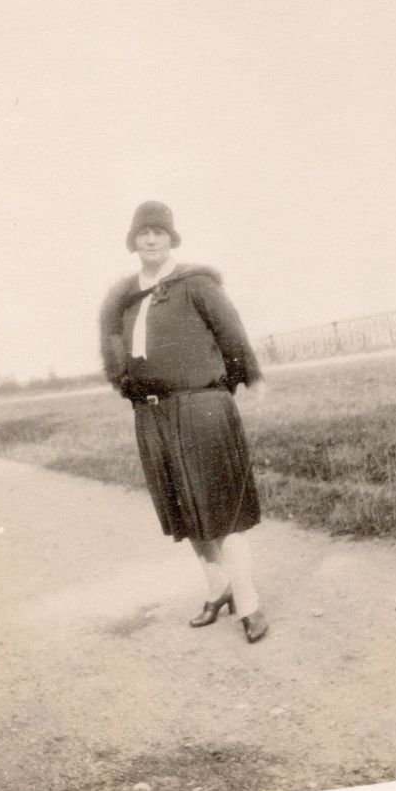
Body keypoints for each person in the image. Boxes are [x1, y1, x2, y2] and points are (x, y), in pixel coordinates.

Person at [99, 201, 269, 643]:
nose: (151, 239)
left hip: (202, 408)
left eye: (159, 231)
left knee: (221, 507)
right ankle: (218, 587)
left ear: (171, 238)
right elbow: (114, 349)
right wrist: (125, 384)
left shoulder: (196, 284)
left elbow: (232, 334)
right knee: (184, 509)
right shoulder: (123, 300)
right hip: (151, 414)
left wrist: (242, 381)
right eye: (143, 233)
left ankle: (248, 601)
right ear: (133, 241)